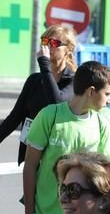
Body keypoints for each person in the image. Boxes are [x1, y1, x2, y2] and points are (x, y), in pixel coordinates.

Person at [23, 61, 110, 214]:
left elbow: (107, 172)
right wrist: (29, 211)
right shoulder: (50, 115)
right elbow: (30, 165)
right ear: (92, 91)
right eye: (107, 94)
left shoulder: (102, 124)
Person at [0, 24, 76, 165]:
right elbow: (14, 118)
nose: (48, 47)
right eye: (45, 42)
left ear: (68, 50)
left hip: (57, 158)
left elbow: (56, 104)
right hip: (31, 153)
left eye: (54, 43)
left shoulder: (73, 80)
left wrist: (44, 64)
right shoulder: (34, 80)